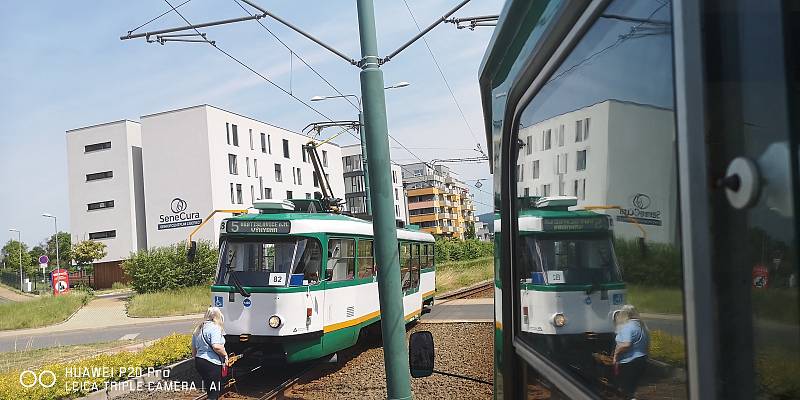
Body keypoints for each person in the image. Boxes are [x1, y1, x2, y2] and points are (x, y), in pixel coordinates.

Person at [612, 304, 649, 400]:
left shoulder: (627, 326)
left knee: (626, 391)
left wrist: (615, 354)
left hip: (629, 362)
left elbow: (626, 344)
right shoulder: (642, 325)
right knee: (632, 389)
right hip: (641, 359)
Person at [192, 307, 228, 400]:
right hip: (212, 363)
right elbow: (216, 346)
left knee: (210, 388)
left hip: (199, 362)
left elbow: (194, 349)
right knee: (214, 393)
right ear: (218, 316)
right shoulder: (215, 328)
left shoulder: (198, 328)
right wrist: (225, 355)